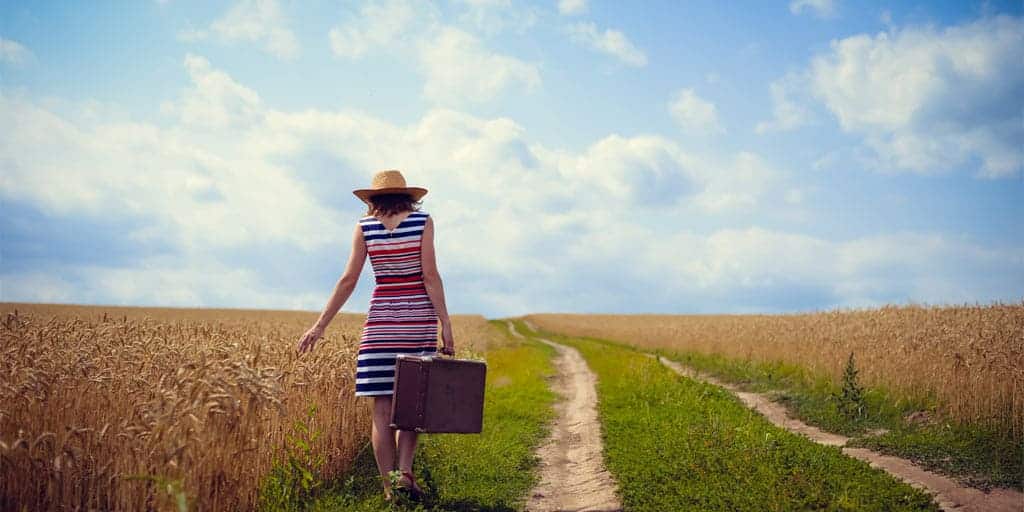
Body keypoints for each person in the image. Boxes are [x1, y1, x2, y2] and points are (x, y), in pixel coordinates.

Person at [296, 169, 455, 502]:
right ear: (409, 196)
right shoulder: (423, 222)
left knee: (381, 410)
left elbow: (348, 279)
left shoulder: (364, 227)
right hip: (417, 323)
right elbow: (430, 276)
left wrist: (320, 325)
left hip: (380, 324)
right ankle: (406, 473)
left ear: (373, 198)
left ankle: (389, 487)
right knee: (412, 406)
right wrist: (446, 324)